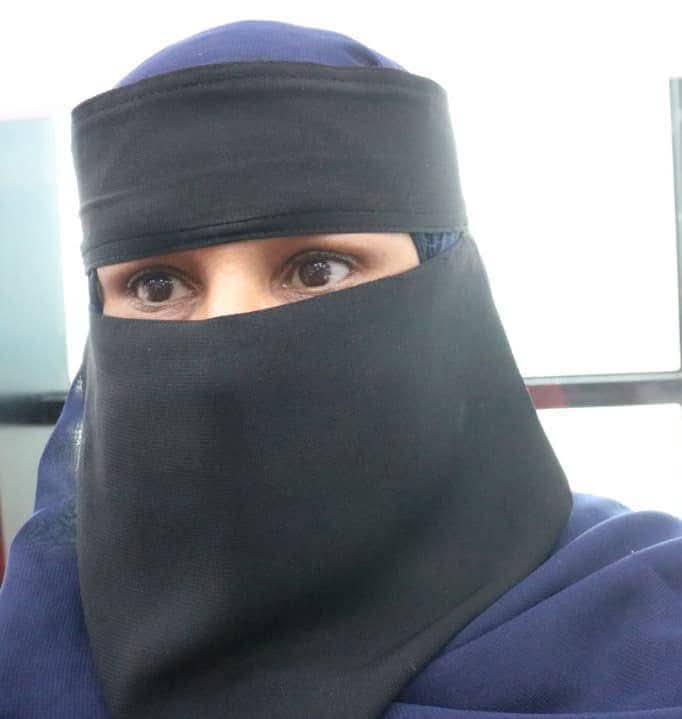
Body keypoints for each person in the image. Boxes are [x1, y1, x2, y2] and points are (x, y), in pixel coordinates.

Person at [1, 18, 682, 719]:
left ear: (448, 290)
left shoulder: (650, 618)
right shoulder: (44, 629)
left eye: (317, 270)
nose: (228, 343)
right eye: (156, 286)